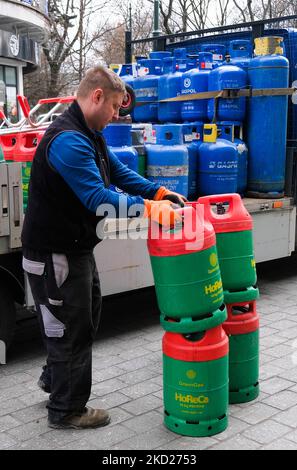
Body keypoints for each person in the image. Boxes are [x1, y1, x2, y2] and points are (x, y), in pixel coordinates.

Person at [21, 65, 186, 430]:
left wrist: (156, 191)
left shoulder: (89, 132)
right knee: (70, 328)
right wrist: (150, 209)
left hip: (74, 248)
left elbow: (115, 172)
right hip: (55, 254)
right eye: (113, 107)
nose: (116, 115)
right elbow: (98, 197)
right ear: (96, 96)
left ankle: (55, 380)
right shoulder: (69, 140)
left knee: (85, 316)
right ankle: (66, 410)